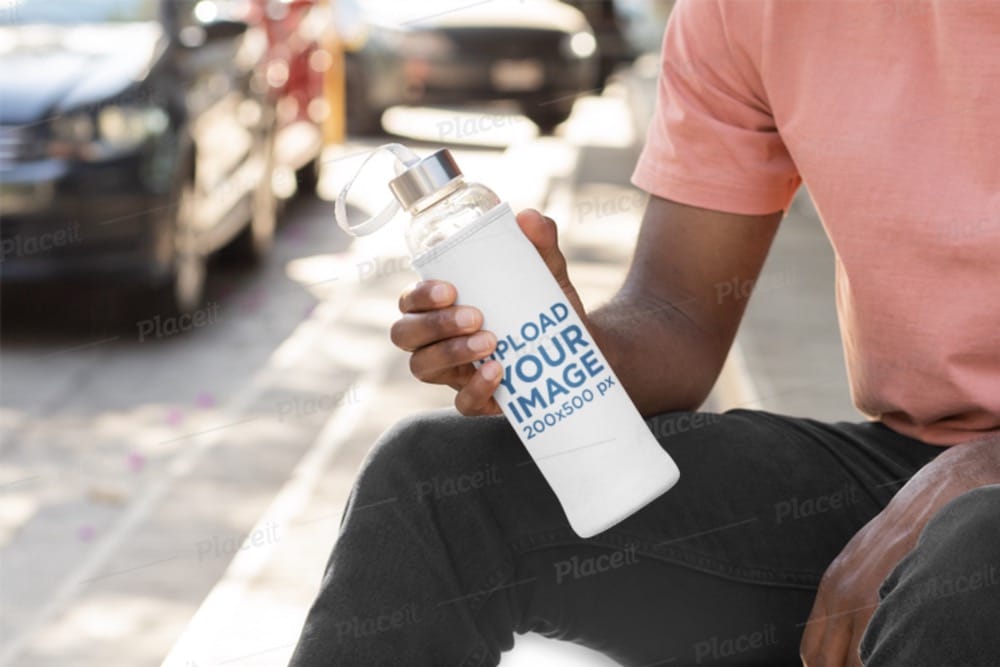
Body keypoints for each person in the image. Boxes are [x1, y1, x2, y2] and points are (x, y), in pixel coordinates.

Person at [290, 0, 1000, 664]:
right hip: (906, 465)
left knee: (972, 562)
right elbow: (680, 317)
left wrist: (978, 474)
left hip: (973, 519)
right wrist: (561, 349)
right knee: (431, 484)